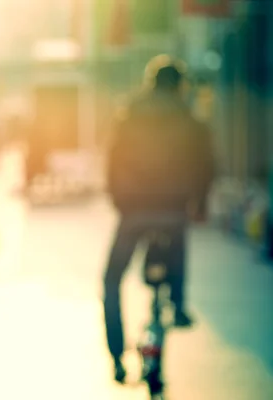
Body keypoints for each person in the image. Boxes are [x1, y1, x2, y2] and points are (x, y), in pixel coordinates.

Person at [103, 55, 215, 383]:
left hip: (133, 210)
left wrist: (118, 199)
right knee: (177, 243)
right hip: (173, 208)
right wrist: (200, 202)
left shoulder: (129, 112)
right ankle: (178, 303)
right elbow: (206, 163)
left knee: (111, 281)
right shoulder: (190, 117)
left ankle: (116, 356)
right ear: (179, 84)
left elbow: (112, 157)